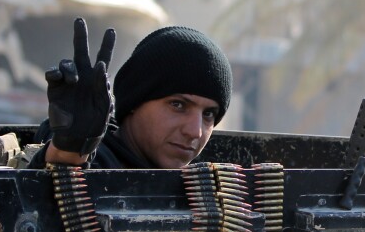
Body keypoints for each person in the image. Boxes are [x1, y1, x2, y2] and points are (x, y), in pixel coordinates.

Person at [27, 17, 232, 169]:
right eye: (178, 105)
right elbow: (55, 189)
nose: (195, 131)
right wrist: (71, 149)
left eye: (208, 114)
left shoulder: (203, 184)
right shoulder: (100, 162)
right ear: (135, 102)